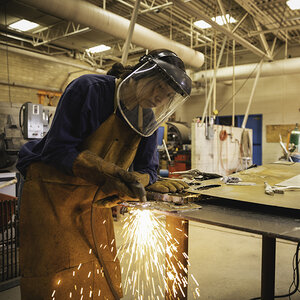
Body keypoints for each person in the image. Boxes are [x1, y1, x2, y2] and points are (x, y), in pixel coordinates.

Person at [16, 49, 192, 299]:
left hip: (94, 199)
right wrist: (105, 169)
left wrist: (143, 180)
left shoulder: (147, 118)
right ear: (142, 74)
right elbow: (56, 149)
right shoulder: (89, 89)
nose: (160, 98)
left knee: (100, 270)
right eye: (159, 87)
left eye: (168, 95)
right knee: (53, 275)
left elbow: (148, 168)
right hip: (50, 191)